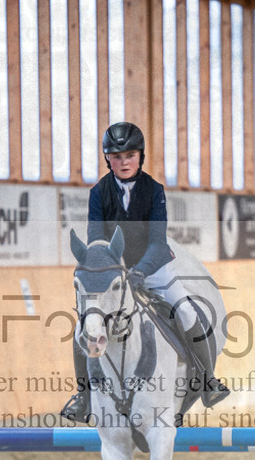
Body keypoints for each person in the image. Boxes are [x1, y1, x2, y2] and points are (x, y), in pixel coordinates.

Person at [61, 121, 230, 423]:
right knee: (84, 326)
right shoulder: (99, 192)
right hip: (114, 271)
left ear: (140, 157)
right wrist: (107, 268)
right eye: (116, 156)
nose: (124, 162)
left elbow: (157, 240)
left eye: (130, 155)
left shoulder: (155, 191)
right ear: (107, 159)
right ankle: (84, 397)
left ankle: (207, 381)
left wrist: (139, 271)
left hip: (153, 268)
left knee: (188, 312)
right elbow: (96, 238)